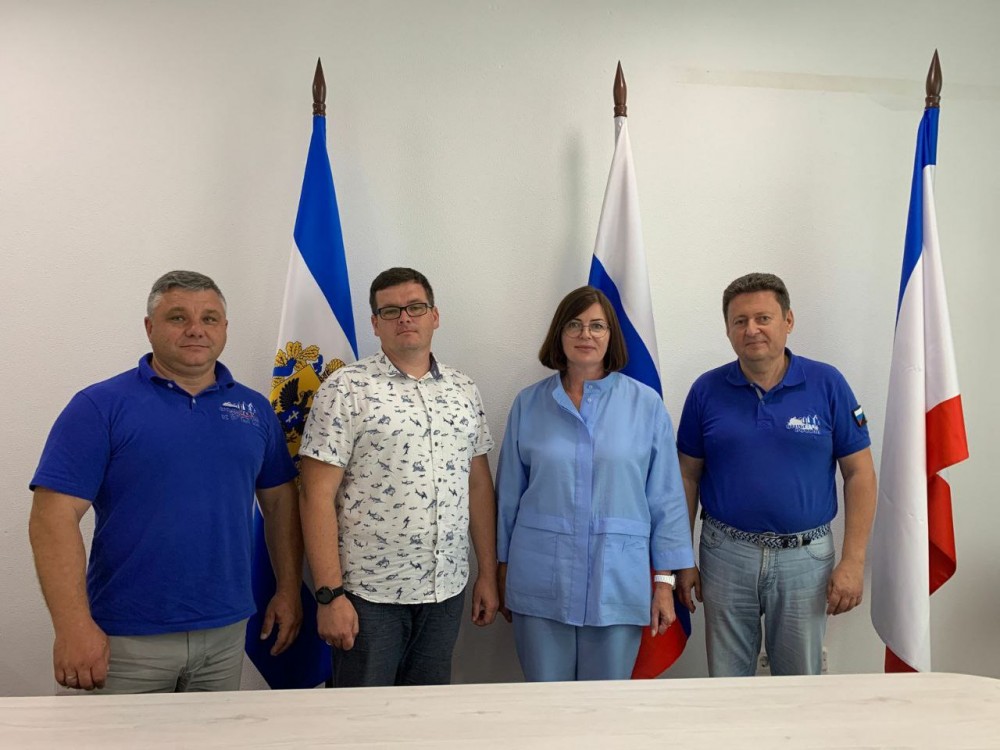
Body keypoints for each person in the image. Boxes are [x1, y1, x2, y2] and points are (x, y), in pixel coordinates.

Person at [29, 270, 303, 693]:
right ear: (149, 327)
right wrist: (72, 627)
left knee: (216, 732)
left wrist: (288, 588)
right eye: (178, 317)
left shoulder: (254, 410)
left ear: (224, 328)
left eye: (209, 318)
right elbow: (53, 517)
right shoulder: (99, 407)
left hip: (225, 633)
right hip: (124, 639)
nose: (196, 329)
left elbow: (281, 504)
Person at [298, 267, 498, 687]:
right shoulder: (345, 389)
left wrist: (487, 572)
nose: (404, 318)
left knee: (425, 714)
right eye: (390, 311)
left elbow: (478, 485)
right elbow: (315, 495)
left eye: (415, 307)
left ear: (434, 316)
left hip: (445, 590)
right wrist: (330, 595)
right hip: (368, 596)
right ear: (375, 324)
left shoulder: (463, 390)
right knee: (363, 716)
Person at [675, 272, 877, 677]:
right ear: (728, 330)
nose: (752, 329)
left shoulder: (828, 384)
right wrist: (682, 558)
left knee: (800, 685)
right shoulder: (705, 391)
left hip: (806, 560)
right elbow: (686, 476)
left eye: (763, 318)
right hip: (725, 555)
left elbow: (860, 474)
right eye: (740, 321)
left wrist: (854, 561)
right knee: (727, 683)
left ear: (788, 320)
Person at [495, 286, 694, 681]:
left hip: (617, 580)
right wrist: (500, 571)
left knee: (605, 706)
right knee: (546, 701)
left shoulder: (645, 405)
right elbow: (508, 498)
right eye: (574, 324)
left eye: (597, 326)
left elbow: (667, 500)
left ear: (611, 335)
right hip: (540, 578)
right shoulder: (529, 404)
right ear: (559, 333)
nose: (585, 334)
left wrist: (664, 583)